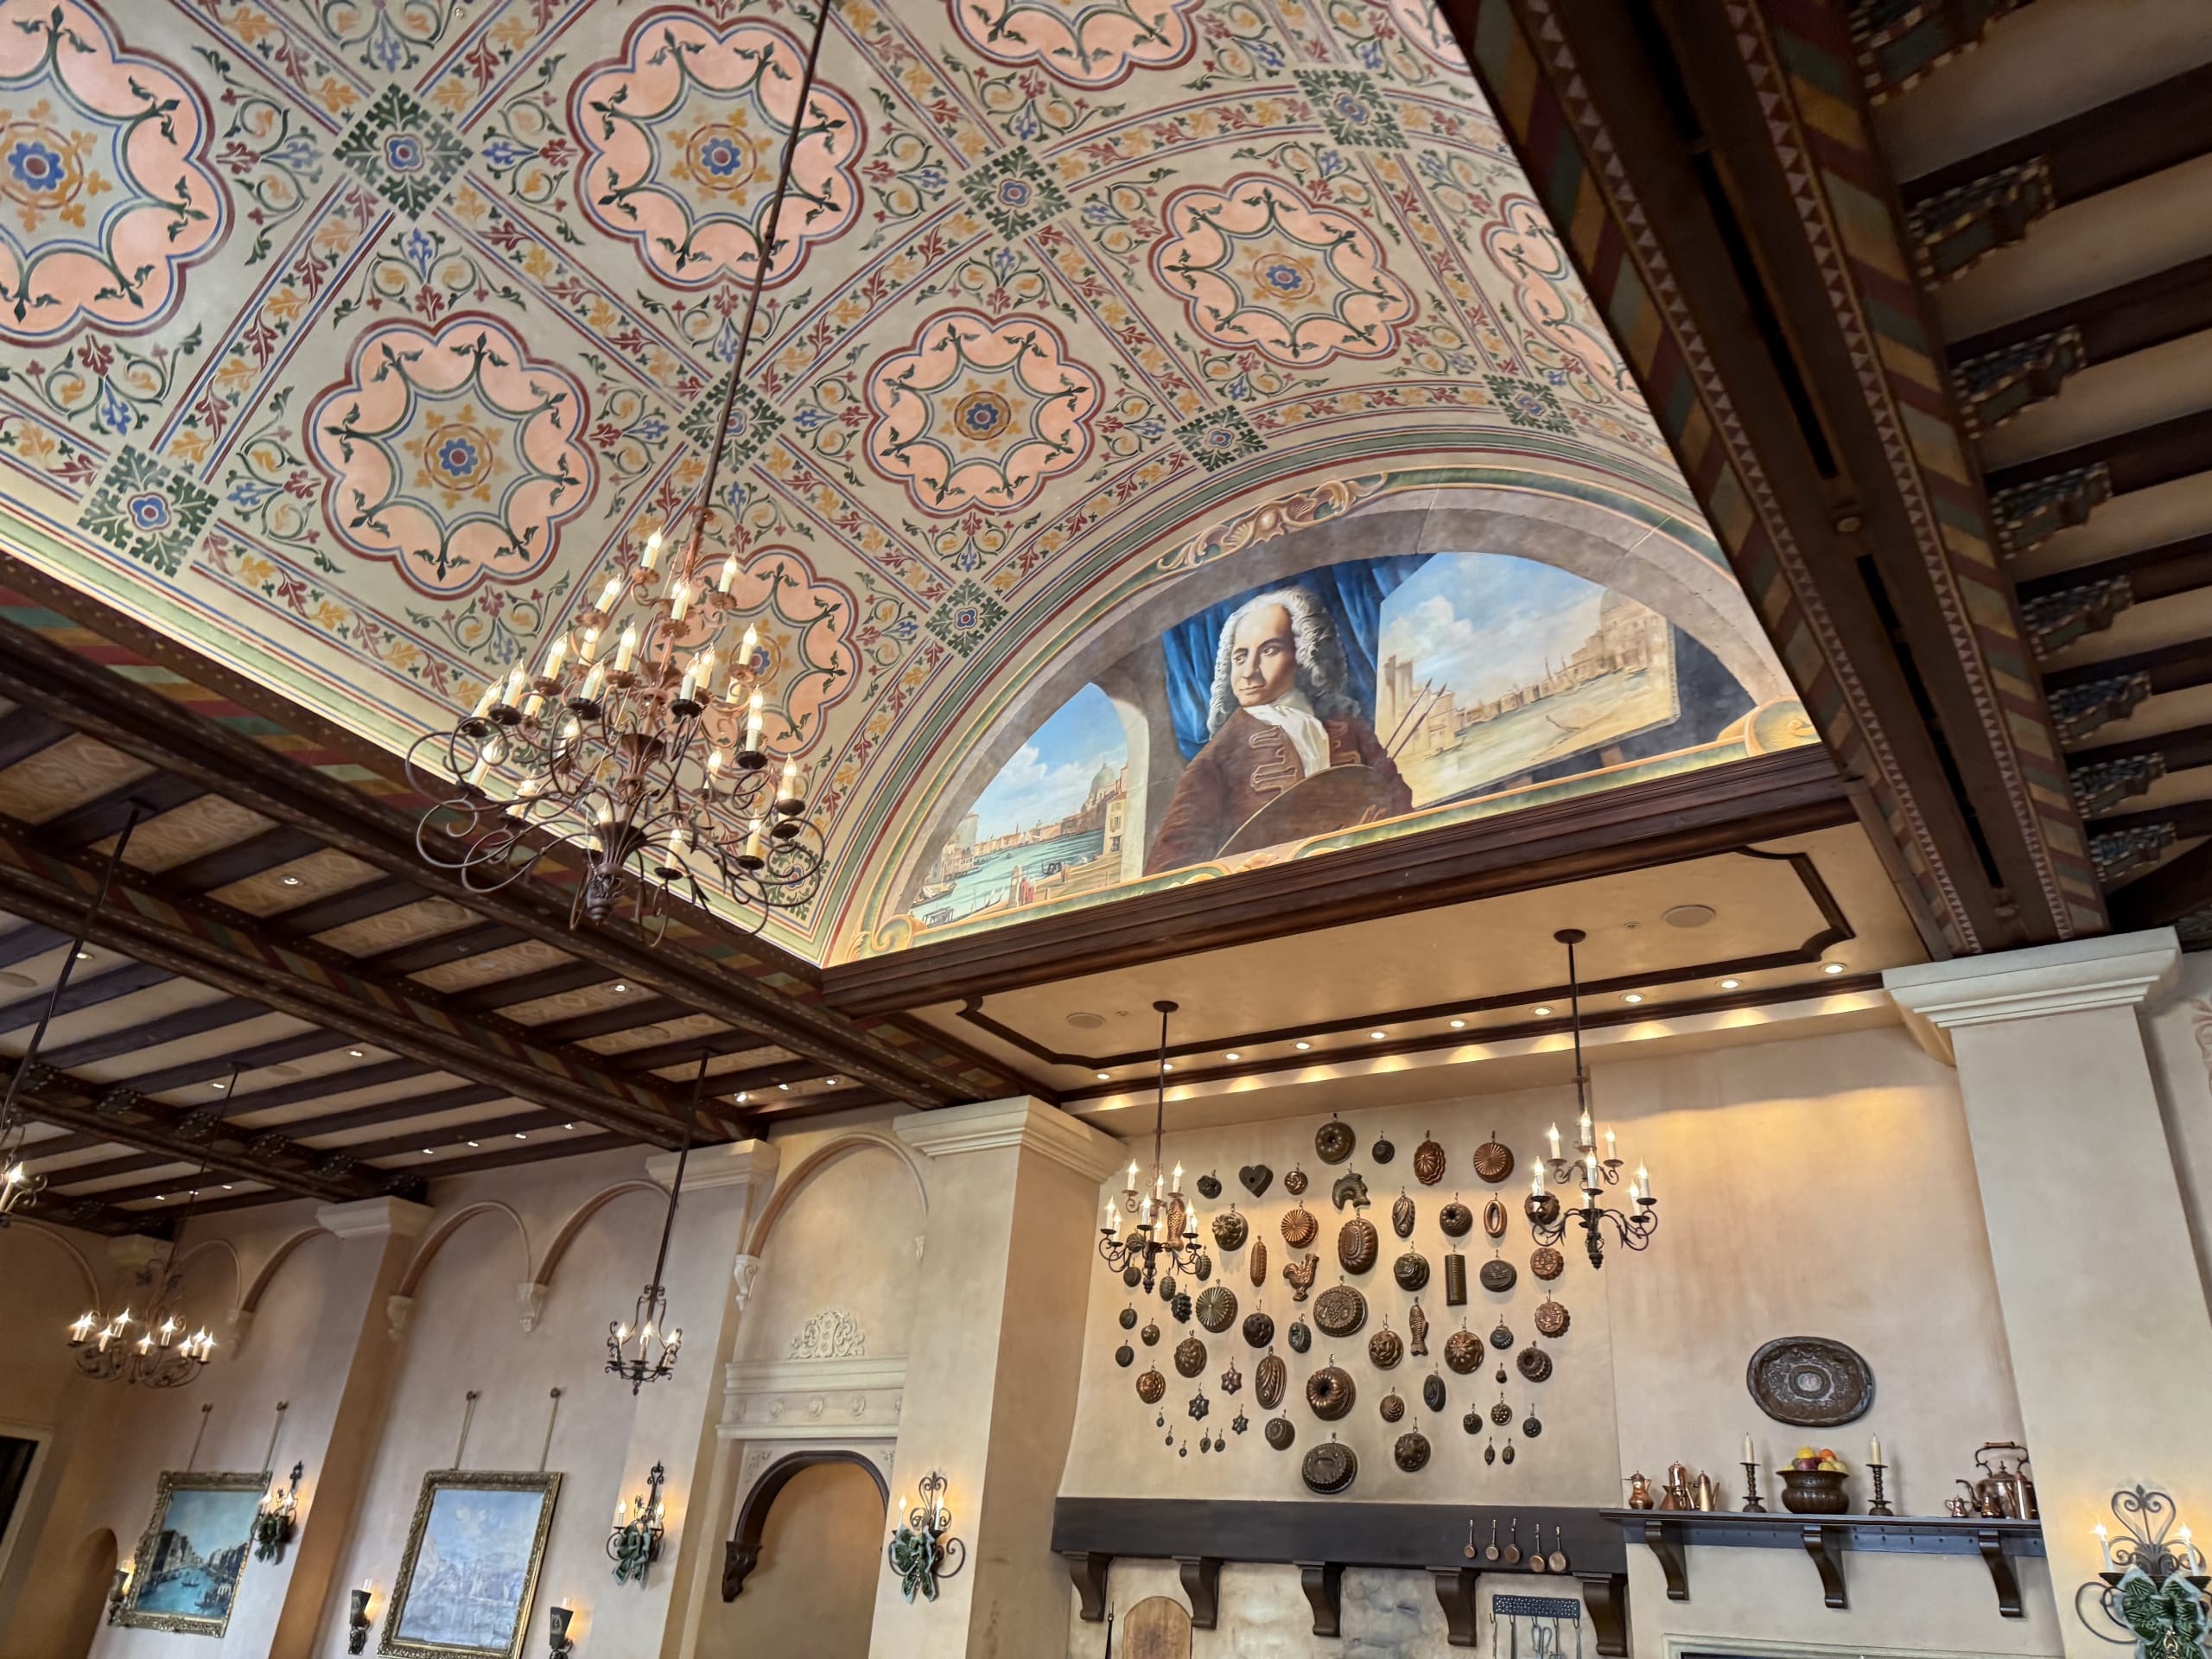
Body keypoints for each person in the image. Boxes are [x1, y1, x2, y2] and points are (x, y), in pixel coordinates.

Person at [1144, 588, 1412, 874]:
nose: (1249, 671)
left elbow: (1400, 804)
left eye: (1269, 650)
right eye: (1240, 657)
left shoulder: (1350, 728)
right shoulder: (1216, 759)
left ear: (1303, 654)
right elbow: (1171, 870)